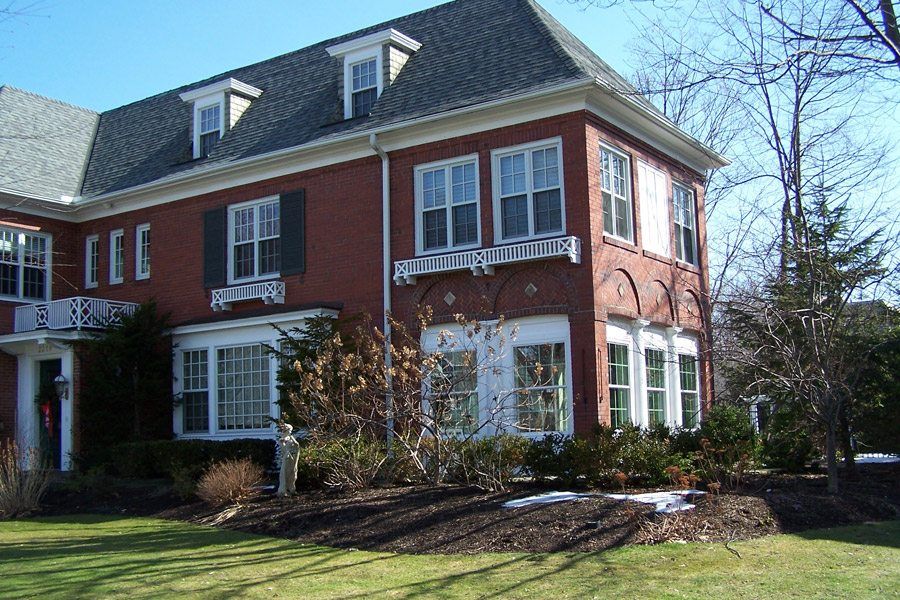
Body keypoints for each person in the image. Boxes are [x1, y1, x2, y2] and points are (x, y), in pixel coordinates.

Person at [277, 423, 300, 496]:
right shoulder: (282, 439)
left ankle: (291, 488)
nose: (290, 432)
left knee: (293, 472)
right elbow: (283, 449)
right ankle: (283, 490)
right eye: (289, 430)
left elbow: (297, 446)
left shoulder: (291, 438)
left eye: (290, 430)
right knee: (285, 473)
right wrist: (283, 443)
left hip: (293, 457)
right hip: (287, 458)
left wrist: (295, 444)